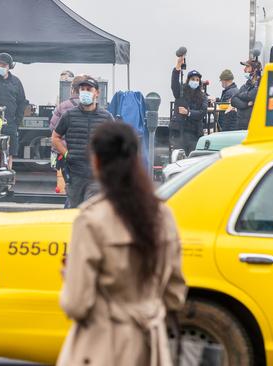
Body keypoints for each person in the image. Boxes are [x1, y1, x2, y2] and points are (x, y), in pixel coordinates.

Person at [57, 121, 187, 366]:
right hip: (152, 348)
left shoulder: (91, 220)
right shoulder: (162, 216)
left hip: (103, 347)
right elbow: (175, 293)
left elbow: (76, 304)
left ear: (96, 162)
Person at [52, 76, 114, 208]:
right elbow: (55, 137)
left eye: (89, 89)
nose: (85, 92)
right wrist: (67, 154)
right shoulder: (69, 115)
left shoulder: (106, 117)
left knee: (91, 211)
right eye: (82, 89)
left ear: (97, 93)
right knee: (75, 212)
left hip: (97, 176)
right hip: (75, 175)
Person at [50, 74, 85, 199]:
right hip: (84, 155)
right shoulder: (92, 108)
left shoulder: (62, 106)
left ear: (72, 89)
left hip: (64, 153)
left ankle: (70, 207)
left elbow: (53, 128)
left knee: (69, 184)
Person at [170, 55, 207, 155]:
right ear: (188, 80)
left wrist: (188, 112)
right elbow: (174, 85)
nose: (195, 81)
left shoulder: (203, 96)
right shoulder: (181, 92)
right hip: (180, 132)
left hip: (194, 133)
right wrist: (177, 67)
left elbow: (202, 112)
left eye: (197, 80)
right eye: (193, 79)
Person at [231, 57, 262, 130]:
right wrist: (247, 104)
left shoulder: (261, 83)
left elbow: (251, 95)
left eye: (247, 66)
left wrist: (240, 95)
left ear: (255, 69)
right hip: (240, 124)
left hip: (252, 125)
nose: (245, 69)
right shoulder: (247, 84)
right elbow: (233, 100)